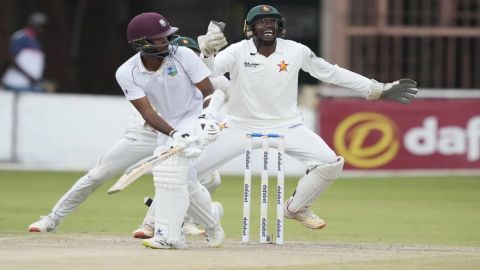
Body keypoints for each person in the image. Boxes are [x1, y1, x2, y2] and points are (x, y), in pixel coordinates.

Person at [192, 4, 418, 231]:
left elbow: (332, 72)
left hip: (287, 126)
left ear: (280, 26)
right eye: (261, 22)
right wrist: (207, 53)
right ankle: (168, 222)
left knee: (330, 163)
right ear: (250, 28)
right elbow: (209, 74)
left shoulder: (296, 50)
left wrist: (376, 89)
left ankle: (296, 207)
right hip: (239, 124)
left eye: (272, 21)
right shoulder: (237, 50)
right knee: (188, 171)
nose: (268, 26)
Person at [29, 12, 226, 250]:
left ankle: (167, 233)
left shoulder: (183, 55)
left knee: (172, 174)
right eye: (159, 39)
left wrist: (207, 120)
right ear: (141, 43)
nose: (166, 42)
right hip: (152, 128)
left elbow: (209, 92)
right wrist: (174, 133)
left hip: (191, 118)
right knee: (105, 174)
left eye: (167, 37)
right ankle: (52, 218)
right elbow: (148, 113)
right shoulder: (127, 72)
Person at [1, 12, 48, 92]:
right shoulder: (21, 37)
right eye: (38, 24)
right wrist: (29, 77)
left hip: (30, 85)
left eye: (42, 25)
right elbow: (12, 60)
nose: (40, 28)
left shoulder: (36, 40)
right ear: (30, 23)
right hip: (16, 83)